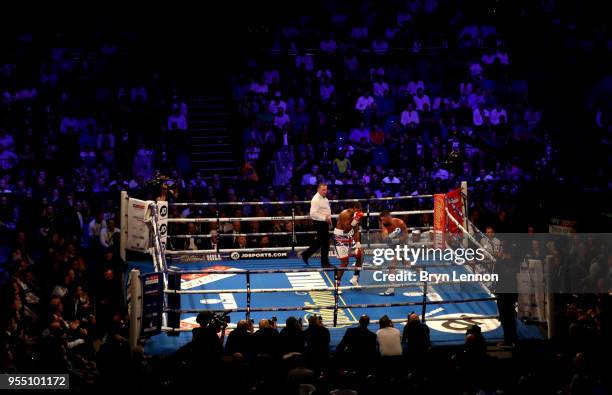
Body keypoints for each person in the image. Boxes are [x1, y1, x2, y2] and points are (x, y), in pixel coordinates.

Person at [378, 210, 409, 296]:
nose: (382, 222)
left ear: (388, 217)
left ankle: (391, 289)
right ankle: (424, 275)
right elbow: (384, 238)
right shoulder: (384, 225)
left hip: (402, 244)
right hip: (393, 245)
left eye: (384, 220)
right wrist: (391, 236)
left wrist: (396, 240)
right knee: (407, 263)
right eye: (382, 220)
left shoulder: (400, 222)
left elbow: (406, 235)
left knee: (392, 264)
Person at [333, 204, 365, 286]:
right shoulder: (344, 214)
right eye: (357, 209)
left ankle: (355, 279)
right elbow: (346, 229)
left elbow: (356, 230)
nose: (359, 212)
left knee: (360, 254)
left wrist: (358, 244)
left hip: (350, 237)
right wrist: (355, 220)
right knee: (344, 262)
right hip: (340, 238)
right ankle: (337, 283)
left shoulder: (356, 215)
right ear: (353, 208)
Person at [302, 183, 331, 267]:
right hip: (320, 223)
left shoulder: (324, 198)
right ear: (318, 189)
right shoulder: (316, 199)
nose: (325, 191)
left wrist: (328, 219)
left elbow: (325, 210)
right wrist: (324, 218)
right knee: (325, 243)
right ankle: (325, 263)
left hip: (324, 222)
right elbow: (312, 214)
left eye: (326, 189)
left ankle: (306, 254)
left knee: (320, 243)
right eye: (323, 190)